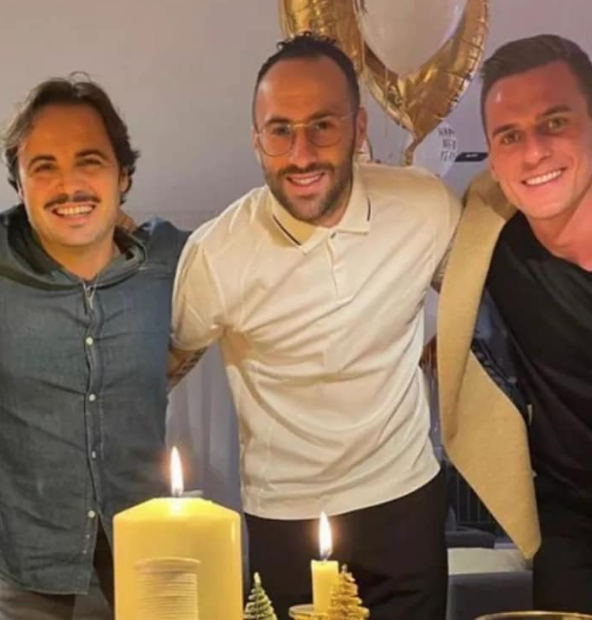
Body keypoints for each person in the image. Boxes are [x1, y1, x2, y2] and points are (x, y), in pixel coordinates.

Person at [171, 33, 461, 620]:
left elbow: (479, 291)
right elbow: (166, 363)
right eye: (280, 130)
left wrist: (448, 341)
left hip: (406, 500)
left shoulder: (425, 206)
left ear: (359, 128)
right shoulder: (215, 253)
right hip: (285, 514)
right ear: (257, 140)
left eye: (323, 126)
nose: (301, 154)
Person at [0, 76, 188, 619]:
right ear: (19, 184)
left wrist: (172, 363)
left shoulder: (168, 259)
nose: (68, 184)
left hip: (150, 565)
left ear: (123, 175)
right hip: (29, 578)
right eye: (43, 167)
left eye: (89, 161)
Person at [437, 34, 592, 620]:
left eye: (554, 123)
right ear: (493, 159)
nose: (533, 153)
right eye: (509, 136)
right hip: (574, 527)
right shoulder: (486, 234)